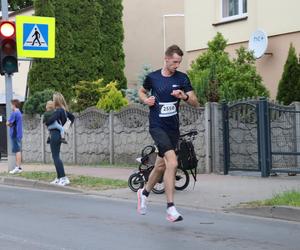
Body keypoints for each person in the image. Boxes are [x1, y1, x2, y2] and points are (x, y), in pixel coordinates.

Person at [137, 45, 199, 222]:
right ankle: (170, 208)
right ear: (166, 59)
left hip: (173, 129)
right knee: (172, 162)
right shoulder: (153, 78)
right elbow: (142, 91)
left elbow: (195, 102)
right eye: (174, 62)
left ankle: (144, 193)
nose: (177, 65)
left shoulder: (182, 78)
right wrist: (145, 100)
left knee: (160, 166)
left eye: (179, 62)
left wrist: (184, 96)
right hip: (157, 126)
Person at [45, 93, 75, 186]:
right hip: (57, 134)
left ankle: (63, 178)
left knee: (56, 157)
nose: (52, 101)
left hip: (55, 134)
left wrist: (47, 119)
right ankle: (59, 178)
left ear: (56, 101)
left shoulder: (58, 111)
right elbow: (72, 117)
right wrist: (65, 127)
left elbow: (49, 121)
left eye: (53, 100)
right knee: (55, 156)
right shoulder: (64, 111)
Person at [6, 99, 23, 174]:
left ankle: (18, 167)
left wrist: (8, 123)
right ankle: (18, 167)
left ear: (14, 105)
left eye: (11, 105)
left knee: (17, 151)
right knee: (18, 150)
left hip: (15, 134)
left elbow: (8, 123)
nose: (10, 106)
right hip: (18, 134)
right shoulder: (19, 112)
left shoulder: (15, 113)